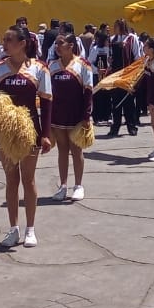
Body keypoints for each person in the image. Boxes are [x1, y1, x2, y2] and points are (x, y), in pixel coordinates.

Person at [0, 25, 53, 247]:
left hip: (29, 130)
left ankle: (30, 229)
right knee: (11, 179)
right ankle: (13, 229)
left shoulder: (39, 68)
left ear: (22, 43)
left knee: (28, 179)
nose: (4, 44)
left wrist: (45, 134)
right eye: (3, 39)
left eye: (9, 40)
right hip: (5, 132)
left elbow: (48, 103)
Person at [48, 33, 93, 201]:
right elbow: (47, 92)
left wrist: (86, 116)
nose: (57, 47)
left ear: (71, 45)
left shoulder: (83, 64)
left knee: (76, 150)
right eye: (56, 44)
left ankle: (78, 185)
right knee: (62, 150)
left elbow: (88, 91)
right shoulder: (52, 66)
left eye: (61, 43)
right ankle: (63, 186)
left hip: (76, 115)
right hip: (58, 115)